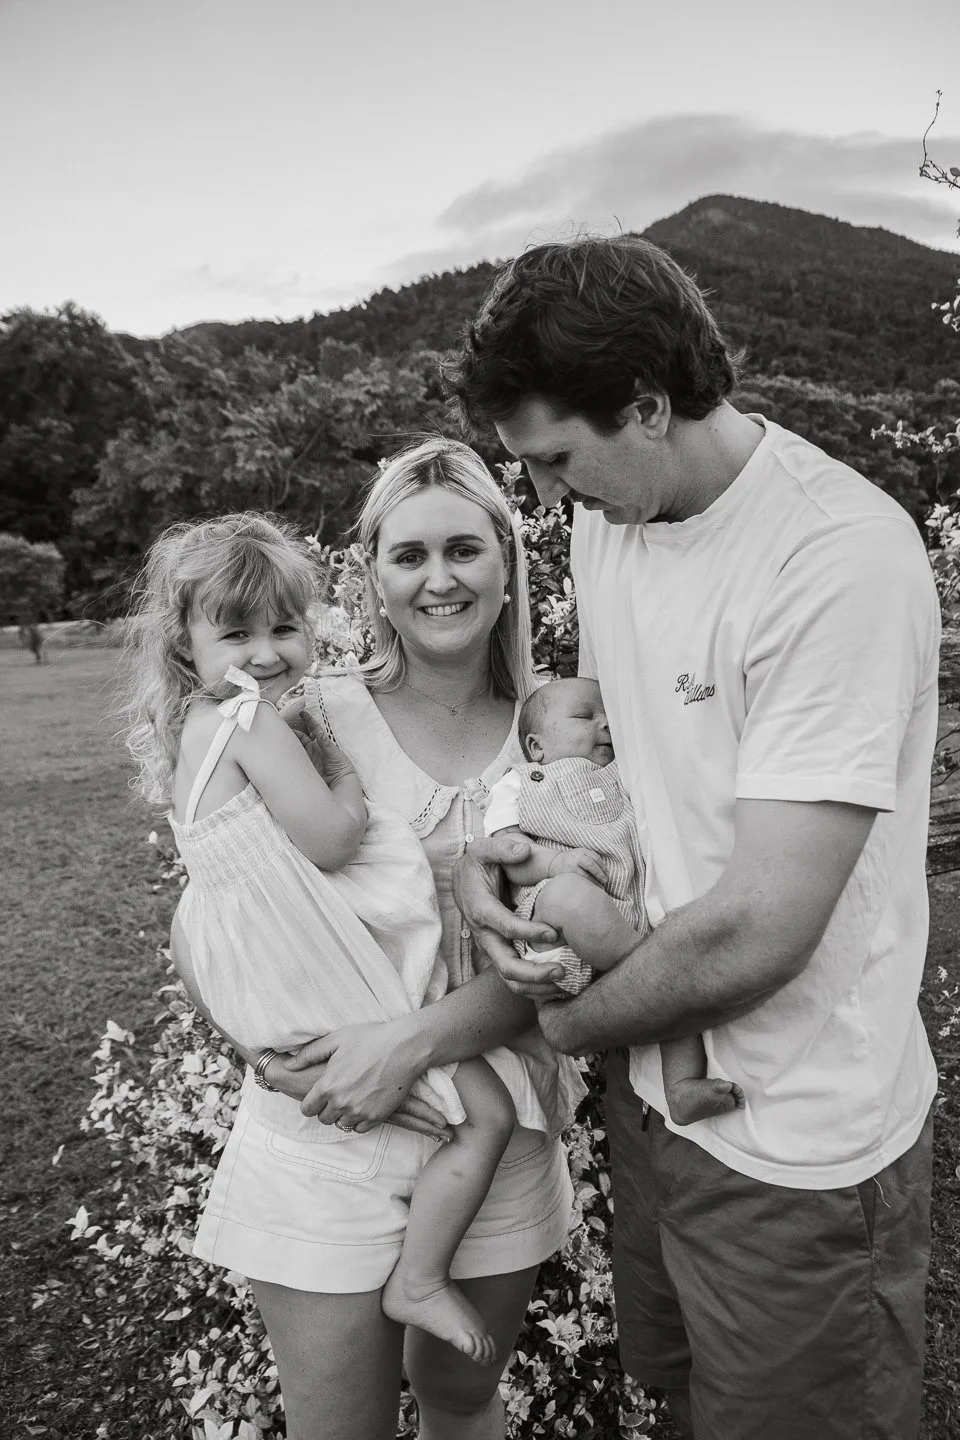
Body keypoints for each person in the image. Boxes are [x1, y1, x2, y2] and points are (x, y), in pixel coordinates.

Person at [446, 235, 940, 1440]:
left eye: (558, 459)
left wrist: (563, 1020)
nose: (549, 501)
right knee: (681, 1402)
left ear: (652, 406)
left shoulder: (833, 559)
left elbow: (765, 928)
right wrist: (506, 854)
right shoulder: (615, 518)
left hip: (796, 1135)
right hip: (660, 1080)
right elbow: (622, 762)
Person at [160, 441, 583, 1440]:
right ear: (371, 574)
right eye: (409, 555)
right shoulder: (312, 712)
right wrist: (261, 1044)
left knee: (461, 1399)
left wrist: (410, 1044)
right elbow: (213, 900)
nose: (440, 578)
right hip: (327, 1133)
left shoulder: (562, 726)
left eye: (467, 549)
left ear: (509, 563)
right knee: (338, 1424)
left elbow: (582, 943)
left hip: (498, 1132)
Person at [487, 675, 744, 1126]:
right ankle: (648, 977)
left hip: (626, 921)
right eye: (586, 717)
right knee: (584, 906)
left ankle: (681, 1088)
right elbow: (510, 855)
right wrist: (554, 866)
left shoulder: (623, 773)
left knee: (669, 968)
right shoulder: (520, 783)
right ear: (536, 745)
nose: (604, 725)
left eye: (609, 718)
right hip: (556, 930)